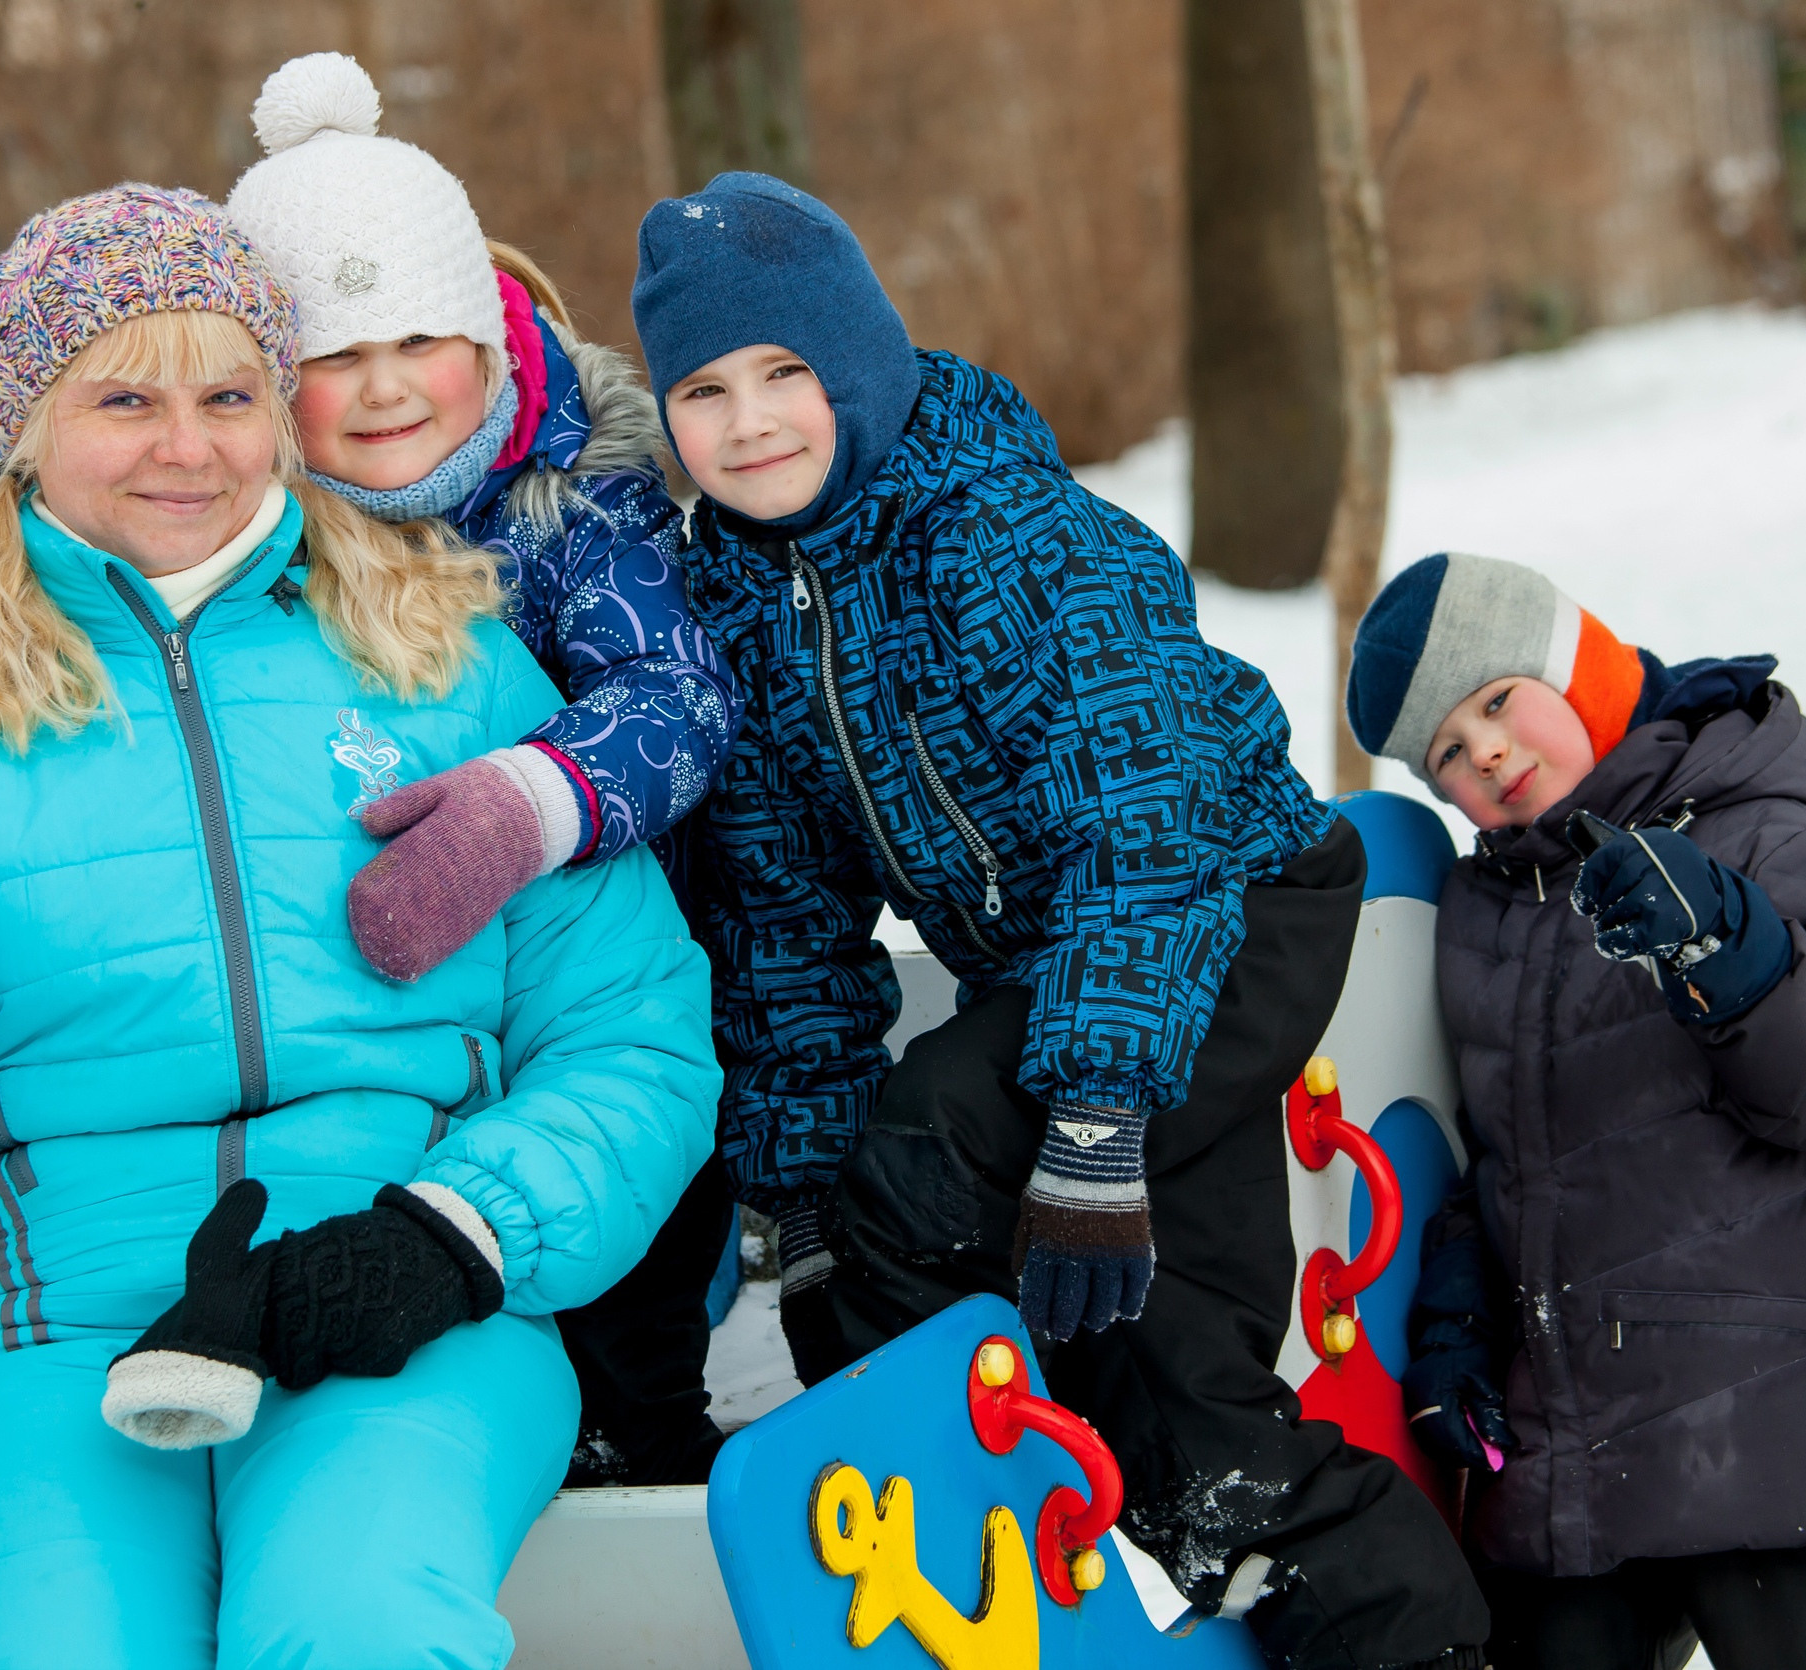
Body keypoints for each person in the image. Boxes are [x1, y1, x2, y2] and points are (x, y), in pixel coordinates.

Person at [0, 182, 716, 1670]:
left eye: (229, 395)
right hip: (33, 1335)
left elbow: (632, 1036)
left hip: (393, 1299)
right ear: (27, 426)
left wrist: (456, 1234)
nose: (187, 446)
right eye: (124, 399)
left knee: (357, 1625)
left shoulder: (451, 660)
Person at [630, 171, 1490, 1670]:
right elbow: (785, 915)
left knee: (923, 1156)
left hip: (1228, 908)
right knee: (1188, 1406)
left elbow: (1147, 827)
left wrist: (1092, 1123)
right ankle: (1392, 1632)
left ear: (860, 366)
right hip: (1057, 974)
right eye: (703, 391)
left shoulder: (1012, 537)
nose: (749, 421)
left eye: (785, 373)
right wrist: (797, 1187)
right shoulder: (742, 604)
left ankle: (950, 1532)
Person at [219, 52, 742, 1486]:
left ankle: (647, 1435)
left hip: (608, 963)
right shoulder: (243, 522)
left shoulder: (575, 508)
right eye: (332, 357)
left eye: (417, 340)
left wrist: (526, 805)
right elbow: (63, 566)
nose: (385, 389)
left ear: (488, 339)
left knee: (626, 1248)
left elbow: (679, 694)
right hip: (377, 985)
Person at [1348, 552, 1806, 1670]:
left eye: (1496, 699)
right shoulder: (1481, 913)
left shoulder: (1758, 826)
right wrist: (1456, 1322)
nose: (1485, 752)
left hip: (1769, 1417)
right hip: (1569, 1459)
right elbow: (1501, 1158)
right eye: (1447, 754)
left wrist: (1728, 942)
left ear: (1575, 664)